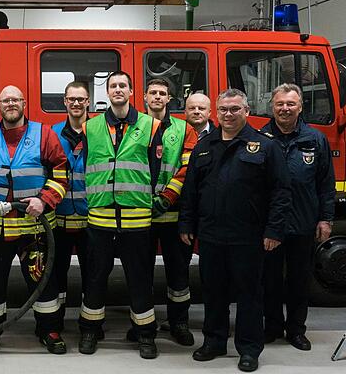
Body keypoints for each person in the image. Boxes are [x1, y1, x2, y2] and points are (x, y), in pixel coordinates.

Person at [180, 88, 291, 372]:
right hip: (211, 234)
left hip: (249, 236)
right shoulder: (205, 146)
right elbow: (191, 191)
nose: (228, 114)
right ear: (217, 113)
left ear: (247, 111)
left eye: (235, 109)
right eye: (224, 110)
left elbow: (280, 192)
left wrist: (274, 231)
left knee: (249, 294)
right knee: (213, 291)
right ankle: (214, 342)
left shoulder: (265, 146)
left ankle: (249, 348)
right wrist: (186, 224)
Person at [0, 85, 68, 355]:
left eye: (15, 100)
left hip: (34, 228)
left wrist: (44, 200)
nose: (11, 104)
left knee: (42, 281)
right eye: (6, 100)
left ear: (24, 103)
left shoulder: (44, 135)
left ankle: (49, 330)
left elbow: (61, 173)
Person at [80, 71, 162, 359]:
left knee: (140, 280)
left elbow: (157, 170)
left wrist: (154, 200)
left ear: (131, 92)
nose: (117, 90)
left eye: (122, 86)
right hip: (100, 218)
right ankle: (90, 330)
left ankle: (145, 335)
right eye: (112, 86)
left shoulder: (151, 125)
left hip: (137, 219)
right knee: (95, 278)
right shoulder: (91, 127)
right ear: (107, 92)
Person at [260, 83, 335, 351]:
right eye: (280, 103)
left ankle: (296, 330)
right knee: (269, 280)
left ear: (300, 107)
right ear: (272, 107)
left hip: (303, 223)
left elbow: (326, 183)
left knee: (299, 281)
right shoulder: (260, 139)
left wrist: (325, 219)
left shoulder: (315, 139)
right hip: (269, 226)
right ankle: (271, 327)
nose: (285, 108)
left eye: (291, 104)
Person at [144, 79, 198, 346]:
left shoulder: (185, 129)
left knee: (178, 273)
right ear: (144, 98)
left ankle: (179, 322)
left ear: (169, 99)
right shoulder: (134, 127)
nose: (157, 97)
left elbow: (188, 168)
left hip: (173, 215)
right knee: (141, 273)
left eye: (162, 93)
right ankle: (144, 325)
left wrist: (167, 197)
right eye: (153, 92)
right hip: (141, 214)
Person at [50, 82, 90, 328]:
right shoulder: (51, 134)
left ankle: (90, 324)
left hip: (90, 220)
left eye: (81, 99)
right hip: (60, 219)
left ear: (88, 102)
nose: (76, 103)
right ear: (64, 102)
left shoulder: (99, 132)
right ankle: (56, 322)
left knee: (93, 276)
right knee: (56, 276)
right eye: (71, 99)